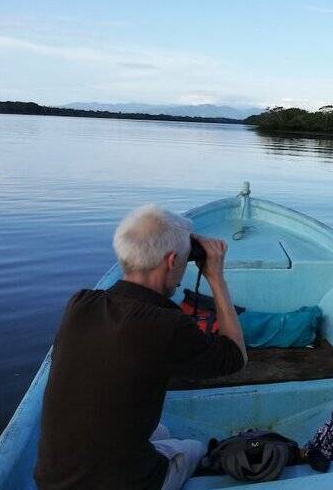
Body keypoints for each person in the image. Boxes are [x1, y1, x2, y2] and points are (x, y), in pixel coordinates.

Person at [34, 204, 247, 490]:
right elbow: (235, 356)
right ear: (172, 262)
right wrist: (215, 277)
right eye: (183, 262)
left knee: (160, 431)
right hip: (127, 484)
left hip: (50, 479)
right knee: (192, 446)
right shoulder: (166, 325)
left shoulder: (80, 303)